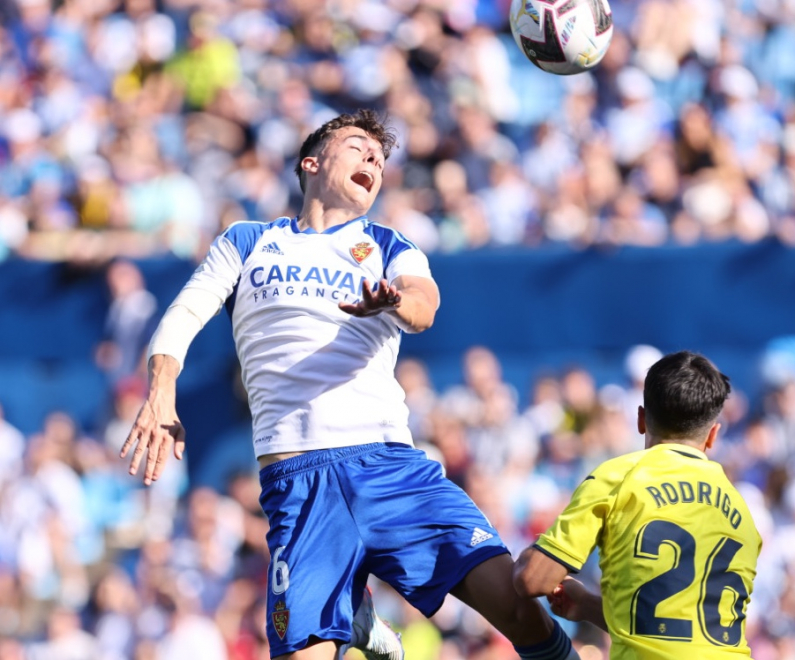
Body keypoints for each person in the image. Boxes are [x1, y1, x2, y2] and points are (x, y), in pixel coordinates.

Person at [119, 110, 580, 660]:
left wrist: (396, 301)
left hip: (388, 466)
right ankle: (354, 615)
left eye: (381, 160)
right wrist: (161, 388)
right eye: (359, 147)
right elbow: (185, 311)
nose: (374, 160)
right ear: (311, 163)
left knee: (515, 605)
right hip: (300, 481)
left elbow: (425, 306)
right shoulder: (249, 241)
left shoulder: (387, 245)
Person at [513, 351, 763, 658]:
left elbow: (533, 581)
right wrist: (589, 606)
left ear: (641, 419)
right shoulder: (742, 509)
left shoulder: (617, 477)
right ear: (713, 435)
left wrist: (528, 556)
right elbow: (686, 631)